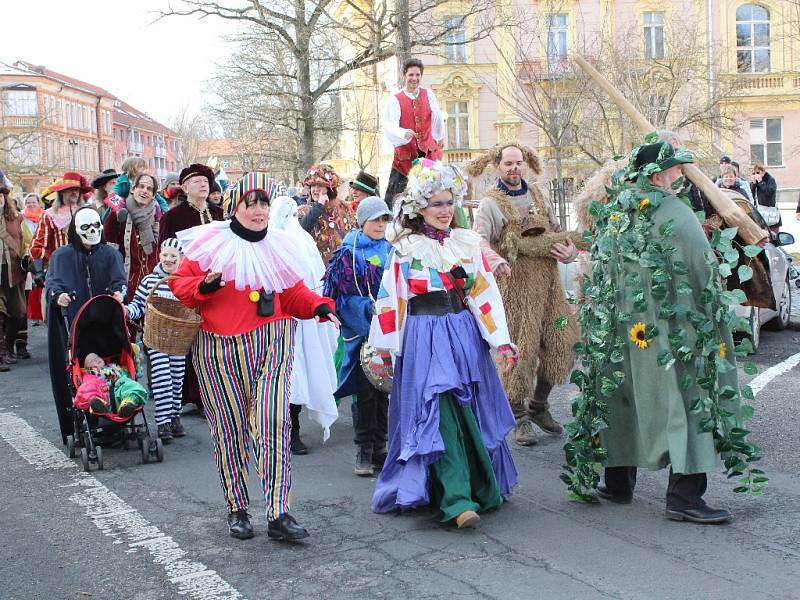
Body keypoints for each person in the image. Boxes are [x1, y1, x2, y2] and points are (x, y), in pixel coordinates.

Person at [170, 171, 340, 542]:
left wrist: (319, 306)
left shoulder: (280, 244)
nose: (260, 210)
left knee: (272, 422)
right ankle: (238, 507)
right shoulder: (209, 242)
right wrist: (204, 285)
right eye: (252, 202)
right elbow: (181, 287)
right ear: (236, 205)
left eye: (265, 202)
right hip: (219, 349)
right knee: (229, 431)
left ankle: (279, 512)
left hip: (272, 344)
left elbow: (293, 294)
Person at [584, 141, 745, 524]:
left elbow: (601, 270)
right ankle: (684, 497)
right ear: (658, 175)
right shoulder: (676, 212)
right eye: (675, 171)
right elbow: (702, 272)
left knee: (622, 391)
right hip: (673, 328)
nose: (680, 177)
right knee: (686, 398)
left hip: (623, 327)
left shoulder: (616, 211)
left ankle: (618, 482)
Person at [369, 159, 519, 528]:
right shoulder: (406, 250)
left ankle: (478, 487)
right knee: (440, 412)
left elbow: (484, 294)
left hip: (464, 334)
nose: (445, 210)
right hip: (424, 335)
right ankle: (456, 499)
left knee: (471, 409)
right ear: (420, 208)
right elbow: (392, 300)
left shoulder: (466, 244)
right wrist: (384, 349)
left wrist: (500, 340)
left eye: (449, 203)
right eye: (436, 204)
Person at [467, 143, 581, 447]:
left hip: (550, 287)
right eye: (508, 164)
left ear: (525, 165)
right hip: (515, 290)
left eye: (518, 163)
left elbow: (558, 231)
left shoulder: (540, 195)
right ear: (498, 166)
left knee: (563, 343)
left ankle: (538, 406)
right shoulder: (490, 204)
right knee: (521, 352)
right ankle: (518, 417)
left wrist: (569, 252)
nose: (514, 168)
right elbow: (478, 242)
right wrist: (497, 260)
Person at [323, 196, 393, 476]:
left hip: (388, 332)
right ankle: (363, 449)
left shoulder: (390, 250)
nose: (380, 224)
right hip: (363, 334)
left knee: (384, 392)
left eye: (384, 219)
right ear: (362, 221)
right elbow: (339, 298)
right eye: (375, 219)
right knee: (365, 392)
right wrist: (369, 312)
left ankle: (380, 447)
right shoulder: (348, 253)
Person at [44, 207, 127, 443]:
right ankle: (82, 421)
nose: (92, 232)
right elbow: (53, 283)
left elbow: (119, 280)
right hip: (76, 326)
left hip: (107, 328)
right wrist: (57, 295)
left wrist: (119, 292)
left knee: (116, 368)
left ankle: (117, 416)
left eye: (96, 227)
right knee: (77, 373)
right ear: (76, 230)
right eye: (86, 228)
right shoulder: (62, 256)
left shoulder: (111, 254)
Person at [269, 195, 339, 453]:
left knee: (292, 374)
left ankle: (290, 431)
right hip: (281, 319)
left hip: (299, 317)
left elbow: (310, 281)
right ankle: (283, 431)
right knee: (292, 373)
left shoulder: (297, 240)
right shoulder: (283, 241)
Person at [157, 164, 224, 413]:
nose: (203, 185)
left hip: (215, 284)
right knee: (190, 340)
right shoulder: (173, 217)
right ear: (184, 187)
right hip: (187, 284)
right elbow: (164, 254)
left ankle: (214, 392)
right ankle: (192, 395)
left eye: (206, 181)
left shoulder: (218, 213)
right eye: (196, 181)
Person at [124, 238, 187, 443]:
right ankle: (163, 423)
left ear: (181, 259)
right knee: (162, 380)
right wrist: (125, 311)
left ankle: (174, 415)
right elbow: (137, 306)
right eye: (165, 255)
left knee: (177, 379)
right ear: (159, 256)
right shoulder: (150, 281)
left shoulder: (185, 280)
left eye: (173, 256)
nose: (168, 259)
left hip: (178, 339)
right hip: (155, 337)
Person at [30, 171, 92, 321]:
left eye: (76, 189)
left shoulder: (88, 213)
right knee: (62, 317)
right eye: (70, 189)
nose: (74, 193)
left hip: (87, 271)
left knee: (87, 314)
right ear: (62, 192)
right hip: (60, 272)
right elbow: (37, 246)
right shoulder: (50, 214)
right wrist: (44, 268)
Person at [382, 58, 444, 204]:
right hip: (405, 160)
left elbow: (437, 116)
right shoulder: (395, 99)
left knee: (434, 195)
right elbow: (389, 124)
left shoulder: (428, 94)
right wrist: (403, 133)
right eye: (411, 75)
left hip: (428, 156)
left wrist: (439, 136)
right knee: (397, 200)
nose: (414, 79)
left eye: (417, 75)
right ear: (405, 75)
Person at [104, 173, 160, 301]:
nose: (144, 191)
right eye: (141, 186)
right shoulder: (118, 214)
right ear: (133, 189)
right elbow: (110, 252)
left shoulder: (158, 216)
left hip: (152, 283)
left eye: (149, 189)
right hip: (127, 280)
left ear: (153, 195)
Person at [297, 164, 355, 265]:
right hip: (319, 270)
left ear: (329, 188)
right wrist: (319, 206)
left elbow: (354, 232)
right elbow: (301, 232)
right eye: (313, 186)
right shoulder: (304, 210)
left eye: (320, 185)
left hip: (345, 268)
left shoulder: (344, 206)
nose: (315, 189)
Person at [0, 173, 27, 371]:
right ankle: (1, 353)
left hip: (14, 272)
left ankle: (9, 345)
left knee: (18, 313)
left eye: (1, 195)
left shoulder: (17, 218)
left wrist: (28, 259)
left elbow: (27, 243)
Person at [74, 352, 147, 418]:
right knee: (88, 387)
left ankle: (128, 402)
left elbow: (126, 378)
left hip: (120, 394)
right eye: (92, 360)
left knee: (129, 383)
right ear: (87, 367)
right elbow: (86, 387)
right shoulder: (90, 374)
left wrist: (121, 379)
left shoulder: (115, 368)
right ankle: (96, 403)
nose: (96, 359)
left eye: (97, 357)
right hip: (103, 397)